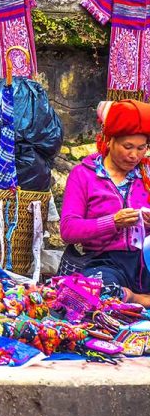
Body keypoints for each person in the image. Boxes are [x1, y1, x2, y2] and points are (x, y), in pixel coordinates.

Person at [59, 99, 150, 307]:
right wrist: (113, 222)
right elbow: (68, 229)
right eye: (127, 147)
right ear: (109, 141)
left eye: (141, 148)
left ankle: (136, 299)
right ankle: (135, 299)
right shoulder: (83, 175)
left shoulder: (147, 175)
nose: (134, 155)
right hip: (104, 262)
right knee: (101, 293)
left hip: (145, 262)